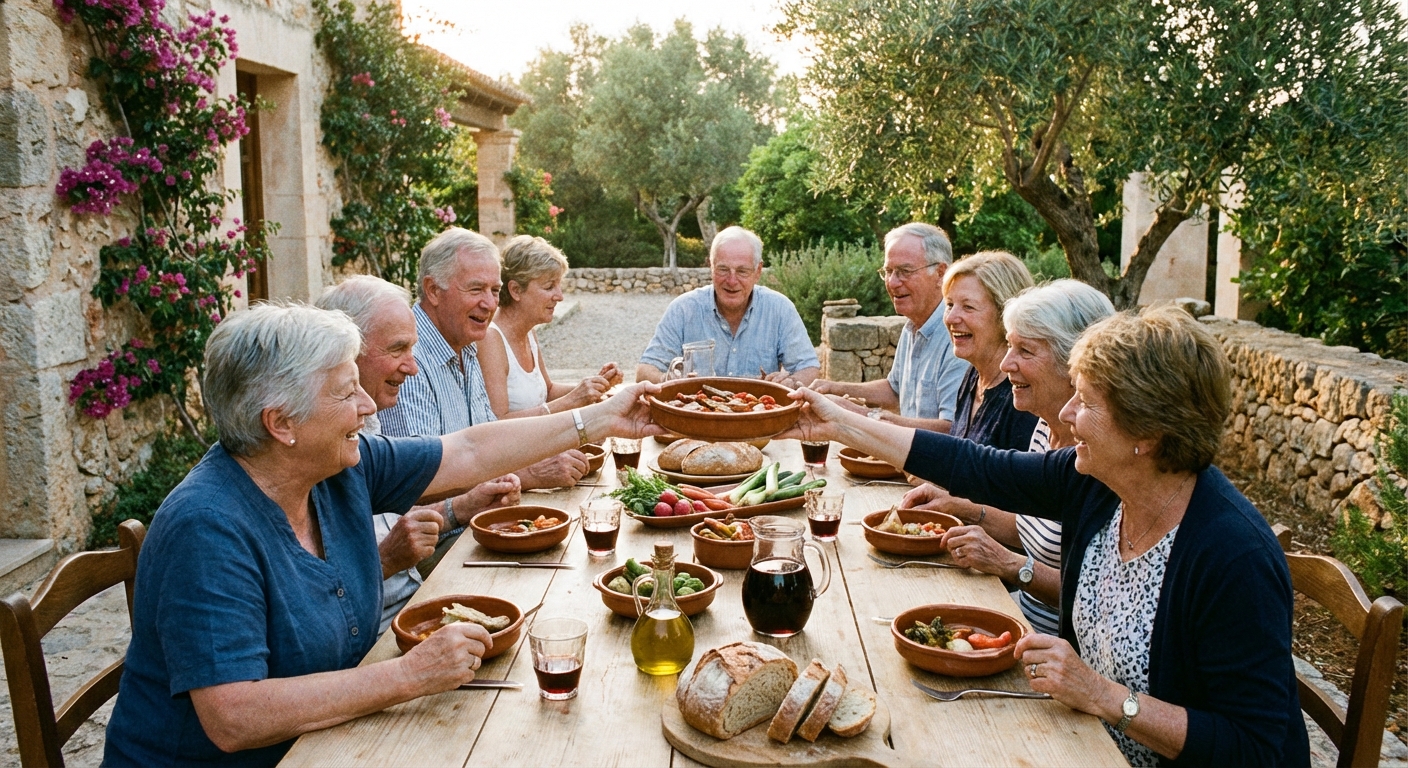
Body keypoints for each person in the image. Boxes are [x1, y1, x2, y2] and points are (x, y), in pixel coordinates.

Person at [103, 303, 663, 766]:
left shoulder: (335, 467)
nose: (369, 406)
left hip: (325, 745)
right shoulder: (207, 528)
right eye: (347, 394)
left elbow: (467, 451)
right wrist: (409, 675)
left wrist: (602, 418)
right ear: (281, 423)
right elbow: (234, 717)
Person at [780, 305, 1308, 767]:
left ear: (1148, 433)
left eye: (1087, 403)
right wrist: (840, 425)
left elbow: (1254, 746)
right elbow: (977, 465)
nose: (1069, 415)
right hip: (1083, 742)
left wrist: (1105, 696)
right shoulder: (1099, 484)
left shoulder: (1232, 555)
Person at [903, 280, 1114, 634]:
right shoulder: (1045, 428)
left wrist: (1009, 564)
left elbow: (1100, 601)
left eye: (1025, 351)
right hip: (1017, 620)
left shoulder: (1101, 456)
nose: (1006, 363)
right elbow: (1030, 526)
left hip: (1052, 645)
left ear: (1076, 362)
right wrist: (961, 508)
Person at [317, 275, 520, 634]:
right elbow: (314, 608)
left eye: (494, 289)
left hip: (409, 607)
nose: (412, 366)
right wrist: (385, 561)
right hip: (378, 634)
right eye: (397, 350)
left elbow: (471, 452)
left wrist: (460, 508)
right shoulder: (312, 451)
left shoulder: (362, 428)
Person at [379, 228, 589, 490]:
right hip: (443, 529)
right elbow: (418, 481)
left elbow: (489, 444)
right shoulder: (411, 360)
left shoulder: (466, 345)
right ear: (433, 290)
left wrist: (586, 425)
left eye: (494, 290)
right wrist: (529, 474)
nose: (490, 304)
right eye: (476, 289)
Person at [811, 223, 969, 432]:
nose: (893, 282)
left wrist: (859, 414)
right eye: (888, 271)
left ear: (940, 273)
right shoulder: (913, 325)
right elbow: (894, 390)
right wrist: (833, 388)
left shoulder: (958, 335)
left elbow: (951, 430)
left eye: (905, 271)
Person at [636, 226, 820, 387]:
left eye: (742, 271)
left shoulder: (779, 309)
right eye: (723, 269)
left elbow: (808, 368)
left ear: (758, 272)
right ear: (711, 266)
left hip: (758, 419)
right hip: (696, 419)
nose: (732, 281)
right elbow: (645, 371)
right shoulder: (683, 309)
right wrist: (667, 380)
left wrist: (792, 382)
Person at [479, 235, 621, 419]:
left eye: (559, 285)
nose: (560, 296)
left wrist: (595, 387)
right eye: (549, 287)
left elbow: (548, 391)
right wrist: (573, 400)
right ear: (515, 290)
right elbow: (498, 423)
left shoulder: (528, 331)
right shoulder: (491, 340)